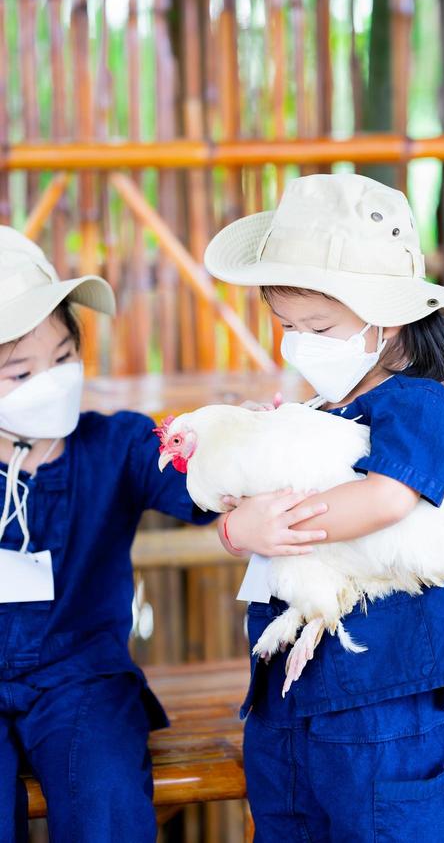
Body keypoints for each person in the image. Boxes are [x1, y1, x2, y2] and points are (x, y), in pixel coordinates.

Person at [0, 227, 324, 843]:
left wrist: (237, 468)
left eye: (65, 357)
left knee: (107, 793)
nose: (54, 379)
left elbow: (197, 477)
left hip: (81, 678)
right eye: (21, 373)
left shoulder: (117, 444)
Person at [204, 173, 444, 842]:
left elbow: (387, 495)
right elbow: (241, 500)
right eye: (288, 327)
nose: (299, 342)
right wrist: (237, 527)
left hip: (386, 701)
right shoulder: (311, 416)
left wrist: (273, 523)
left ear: (387, 321)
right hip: (287, 704)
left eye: (318, 327)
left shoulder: (424, 407)